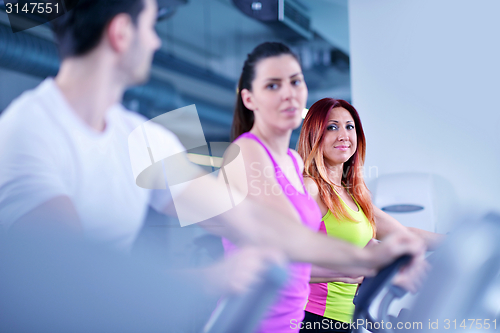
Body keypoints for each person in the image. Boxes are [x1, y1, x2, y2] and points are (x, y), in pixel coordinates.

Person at [0, 0, 424, 322]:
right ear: (121, 34)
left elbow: (247, 219)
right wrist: (213, 278)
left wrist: (370, 260)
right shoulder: (28, 131)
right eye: (150, 26)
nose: (156, 41)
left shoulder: (143, 137)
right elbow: (75, 280)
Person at [218, 43, 426, 333]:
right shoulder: (247, 154)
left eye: (295, 81)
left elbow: (309, 254)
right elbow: (290, 246)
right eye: (273, 85)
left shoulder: (291, 162)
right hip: (270, 321)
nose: (288, 92)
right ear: (250, 99)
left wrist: (383, 257)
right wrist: (367, 262)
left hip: (295, 321)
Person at [296, 98, 444, 332]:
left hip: (348, 319)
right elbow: (284, 258)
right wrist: (359, 266)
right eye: (332, 127)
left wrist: (455, 242)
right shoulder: (310, 187)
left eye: (350, 126)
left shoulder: (351, 194)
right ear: (314, 135)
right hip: (312, 319)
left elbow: (405, 234)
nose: (344, 135)